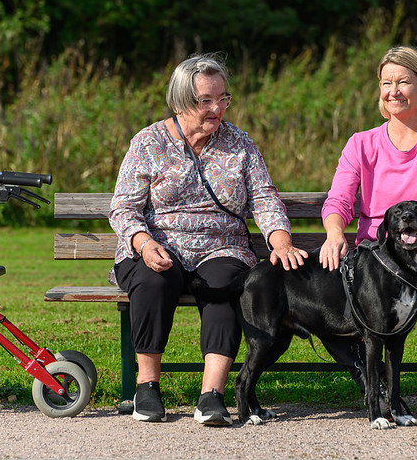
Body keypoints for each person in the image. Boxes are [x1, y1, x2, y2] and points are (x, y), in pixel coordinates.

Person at [109, 53, 308, 426]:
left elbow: (264, 198)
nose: (217, 108)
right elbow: (123, 208)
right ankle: (147, 387)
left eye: (223, 98)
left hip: (220, 245)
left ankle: (212, 395)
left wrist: (280, 242)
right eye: (206, 101)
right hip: (156, 244)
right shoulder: (148, 142)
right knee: (155, 279)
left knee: (226, 283)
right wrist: (142, 243)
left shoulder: (239, 143)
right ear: (181, 101)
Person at [318, 45, 417, 432]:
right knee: (319, 285)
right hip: (376, 257)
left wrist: (415, 249)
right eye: (386, 83)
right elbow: (339, 199)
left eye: (404, 81)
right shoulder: (362, 143)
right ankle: (373, 382)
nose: (394, 91)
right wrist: (334, 233)